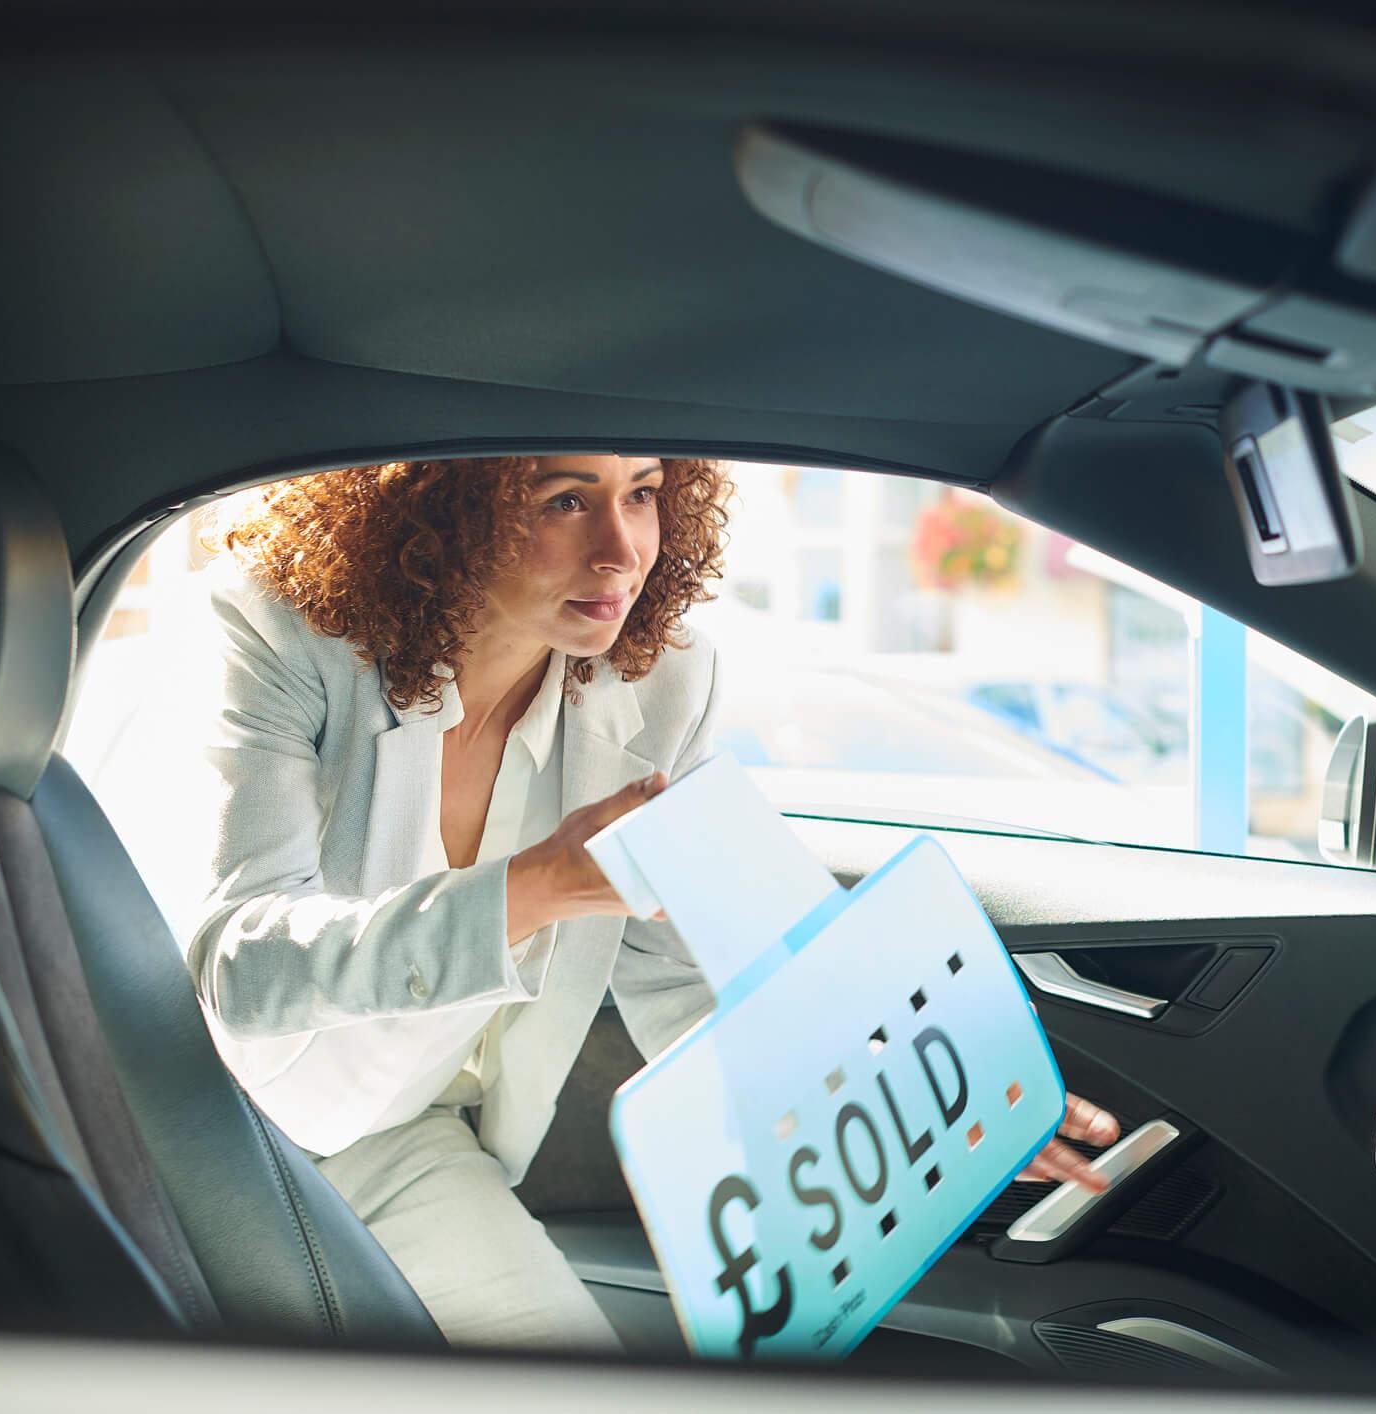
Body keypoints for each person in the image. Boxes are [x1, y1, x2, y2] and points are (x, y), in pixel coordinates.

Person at [184, 454, 1122, 1351]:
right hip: (200, 1121)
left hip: (404, 1134)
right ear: (439, 510)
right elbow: (243, 964)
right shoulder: (281, 633)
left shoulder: (665, 680)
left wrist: (925, 1094)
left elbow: (688, 972)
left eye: (641, 494)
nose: (622, 550)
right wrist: (531, 889)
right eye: (563, 500)